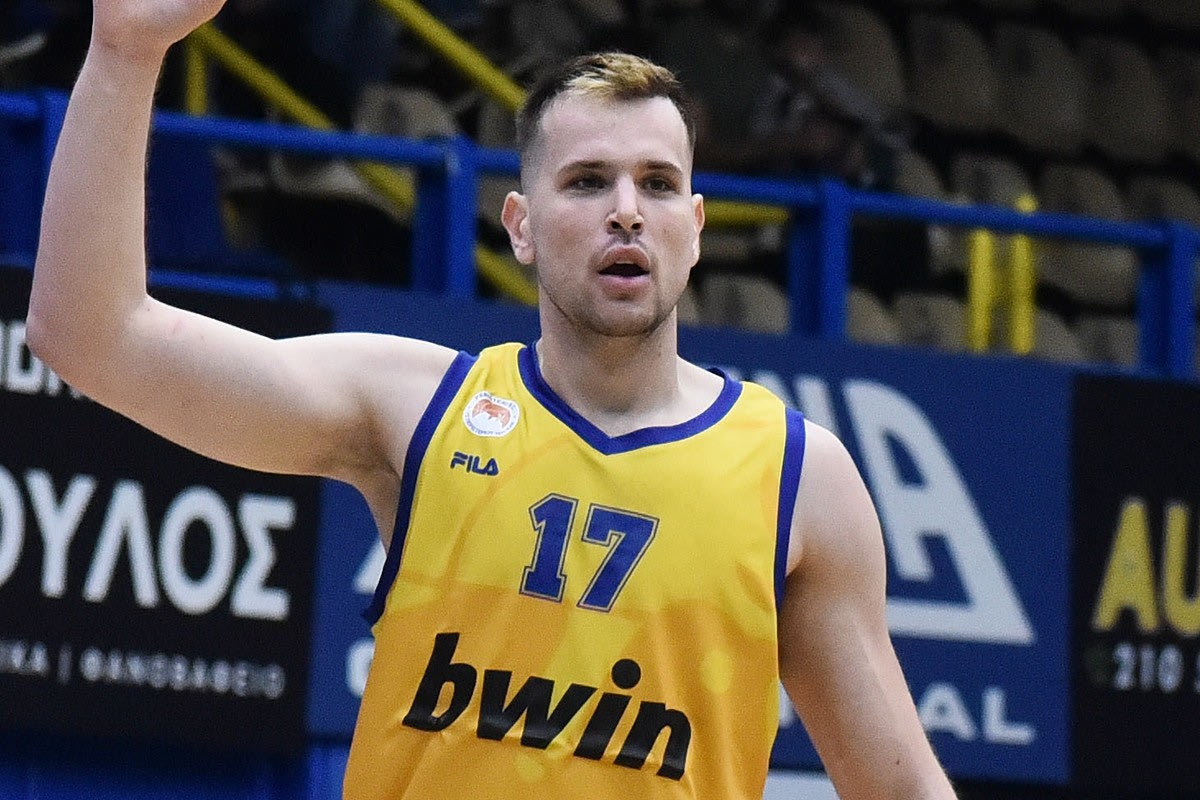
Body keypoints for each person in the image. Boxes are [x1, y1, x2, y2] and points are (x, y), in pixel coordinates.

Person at [26, 1, 958, 798]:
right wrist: (124, 51)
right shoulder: (413, 407)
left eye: (659, 184)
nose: (627, 210)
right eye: (587, 182)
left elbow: (904, 788)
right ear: (520, 226)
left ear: (696, 227)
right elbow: (92, 337)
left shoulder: (800, 476)